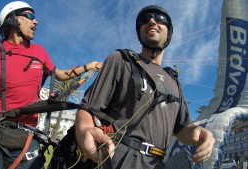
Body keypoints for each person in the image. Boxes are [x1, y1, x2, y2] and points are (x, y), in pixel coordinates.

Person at [0, 1, 102, 169]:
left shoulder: (39, 52)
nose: (36, 22)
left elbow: (61, 74)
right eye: (30, 16)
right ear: (12, 19)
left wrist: (89, 66)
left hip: (27, 136)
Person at [75, 5, 215, 169]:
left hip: (157, 164)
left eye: (160, 19)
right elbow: (88, 107)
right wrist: (84, 130)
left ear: (169, 33)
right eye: (144, 19)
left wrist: (203, 134)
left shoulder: (174, 81)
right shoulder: (121, 60)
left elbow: (184, 128)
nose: (151, 21)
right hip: (118, 161)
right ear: (139, 31)